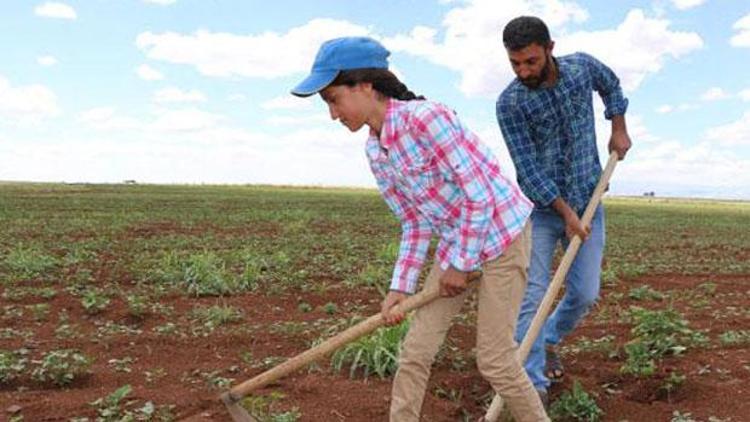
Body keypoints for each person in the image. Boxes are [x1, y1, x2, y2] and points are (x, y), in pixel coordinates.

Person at [291, 36, 549, 421]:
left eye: (332, 98)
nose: (332, 113)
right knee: (415, 352)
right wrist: (400, 288)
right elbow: (414, 222)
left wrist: (461, 265)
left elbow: (479, 196)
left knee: (495, 361)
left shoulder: (427, 119)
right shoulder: (376, 151)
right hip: (456, 244)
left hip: (501, 237)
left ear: (365, 85)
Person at [495, 16, 632, 403]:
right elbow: (528, 170)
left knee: (585, 293)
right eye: (515, 64)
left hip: (589, 201)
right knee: (533, 294)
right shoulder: (510, 103)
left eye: (531, 62)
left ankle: (549, 337)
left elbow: (612, 85)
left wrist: (617, 127)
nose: (524, 71)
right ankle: (532, 388)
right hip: (540, 212)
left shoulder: (580, 69)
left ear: (550, 48)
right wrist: (564, 212)